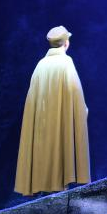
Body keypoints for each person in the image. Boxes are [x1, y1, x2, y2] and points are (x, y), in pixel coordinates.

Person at [14, 26, 91, 196]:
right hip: (60, 122)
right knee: (59, 157)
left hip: (41, 124)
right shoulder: (66, 62)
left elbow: (32, 98)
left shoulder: (40, 65)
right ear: (66, 43)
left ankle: (45, 193)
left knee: (44, 158)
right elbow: (75, 92)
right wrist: (82, 111)